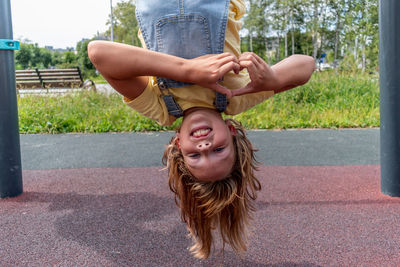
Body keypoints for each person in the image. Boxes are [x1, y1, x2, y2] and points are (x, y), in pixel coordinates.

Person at [88, 0, 315, 259]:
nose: (205, 147)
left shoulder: (160, 106)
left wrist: (188, 70)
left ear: (177, 145)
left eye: (195, 156)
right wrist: (273, 80)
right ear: (231, 132)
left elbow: (99, 53)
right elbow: (306, 65)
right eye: (218, 149)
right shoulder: (236, 95)